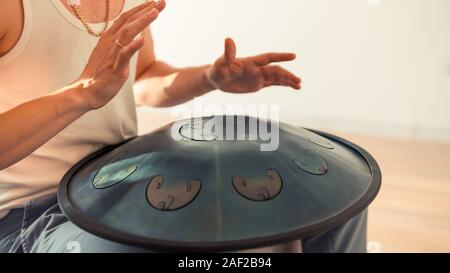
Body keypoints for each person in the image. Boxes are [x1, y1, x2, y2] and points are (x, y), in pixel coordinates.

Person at [0, 0, 366, 253]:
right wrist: (81, 93)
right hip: (27, 215)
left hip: (114, 186)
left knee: (332, 201)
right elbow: (94, 87)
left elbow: (140, 77)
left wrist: (209, 78)